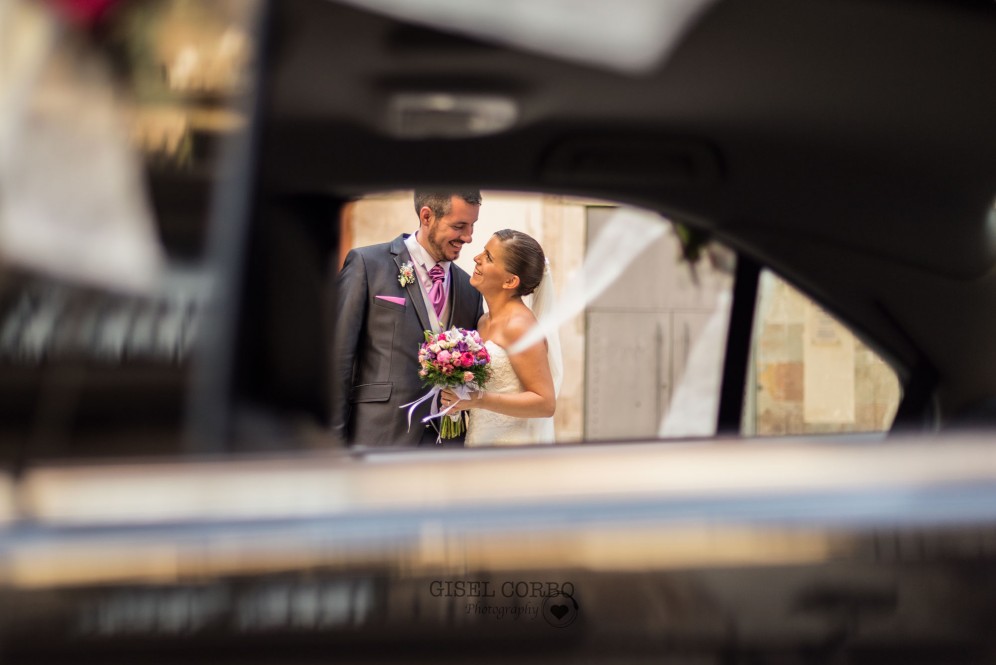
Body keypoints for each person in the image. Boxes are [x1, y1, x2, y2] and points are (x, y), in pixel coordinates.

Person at [333, 190, 484, 446]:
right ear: (427, 216)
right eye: (459, 226)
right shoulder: (368, 264)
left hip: (445, 445)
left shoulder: (470, 289)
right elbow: (337, 358)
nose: (468, 237)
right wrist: (330, 442)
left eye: (472, 226)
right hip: (379, 435)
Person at [441, 229, 562, 446]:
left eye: (488, 257)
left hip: (511, 449)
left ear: (510, 281)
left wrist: (478, 400)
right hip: (479, 440)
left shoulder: (520, 327)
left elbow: (545, 403)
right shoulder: (483, 321)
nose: (476, 258)